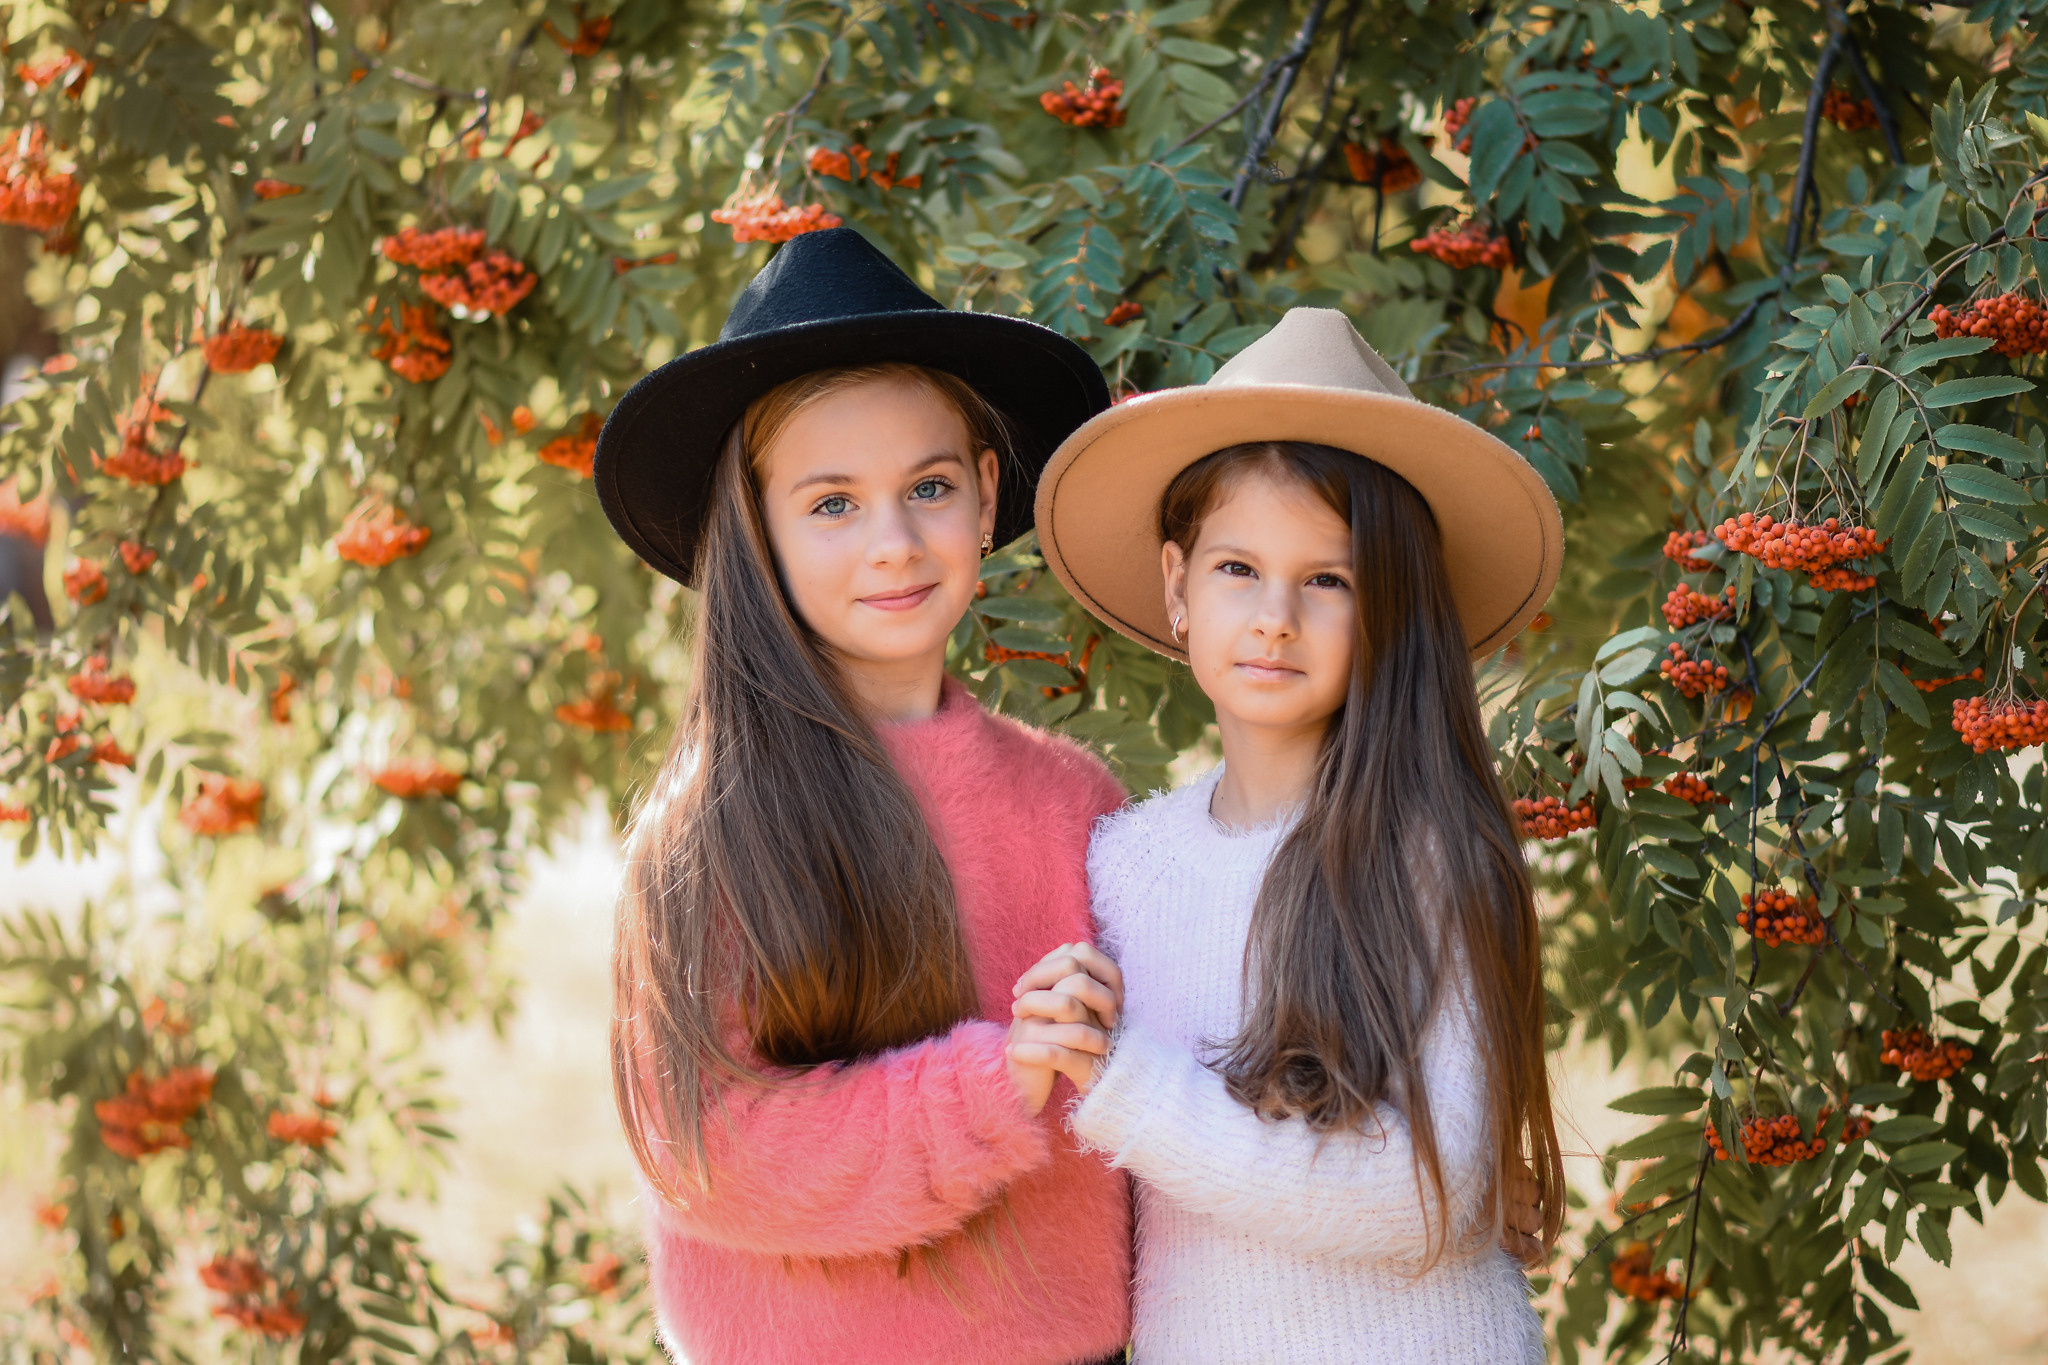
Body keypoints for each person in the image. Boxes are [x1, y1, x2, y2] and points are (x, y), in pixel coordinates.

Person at [595, 226, 1135, 1365]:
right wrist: (997, 1080)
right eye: (832, 503)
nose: (894, 542)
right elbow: (710, 1155)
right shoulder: (706, 834)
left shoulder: (1074, 802)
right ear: (755, 527)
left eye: (928, 487)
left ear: (986, 494)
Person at [1015, 307, 1567, 1363]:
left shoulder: (1433, 857)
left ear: (1391, 612)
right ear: (1176, 585)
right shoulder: (1120, 866)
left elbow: (1424, 1198)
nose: (1275, 615)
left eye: (1329, 579)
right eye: (1237, 568)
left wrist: (1124, 1085)